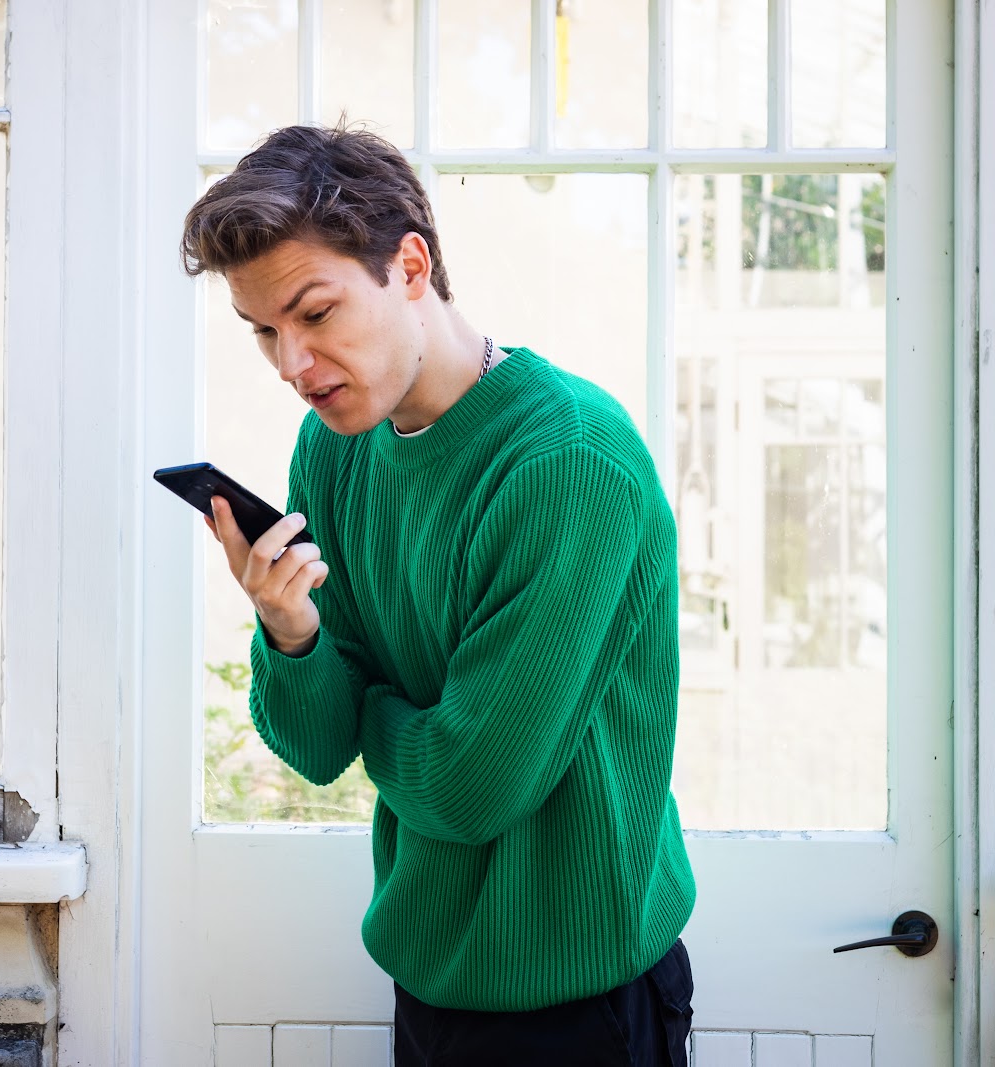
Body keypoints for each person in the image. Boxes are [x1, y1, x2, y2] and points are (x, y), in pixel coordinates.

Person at [179, 123, 697, 1067]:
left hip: (581, 996)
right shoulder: (335, 447)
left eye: (315, 312)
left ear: (410, 266)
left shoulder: (569, 465)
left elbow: (469, 787)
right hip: (428, 973)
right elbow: (316, 746)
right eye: (264, 330)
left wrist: (369, 695)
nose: (292, 363)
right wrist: (291, 629)